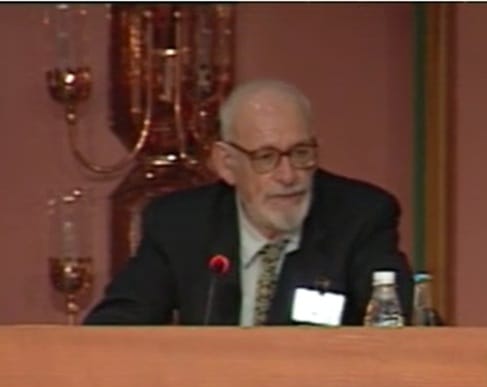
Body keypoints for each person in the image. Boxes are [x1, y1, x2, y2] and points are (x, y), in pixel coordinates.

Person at [84, 79, 413, 325]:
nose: (288, 176)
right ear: (227, 164)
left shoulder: (360, 217)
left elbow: (396, 329)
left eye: (301, 153)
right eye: (266, 157)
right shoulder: (179, 224)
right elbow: (115, 329)